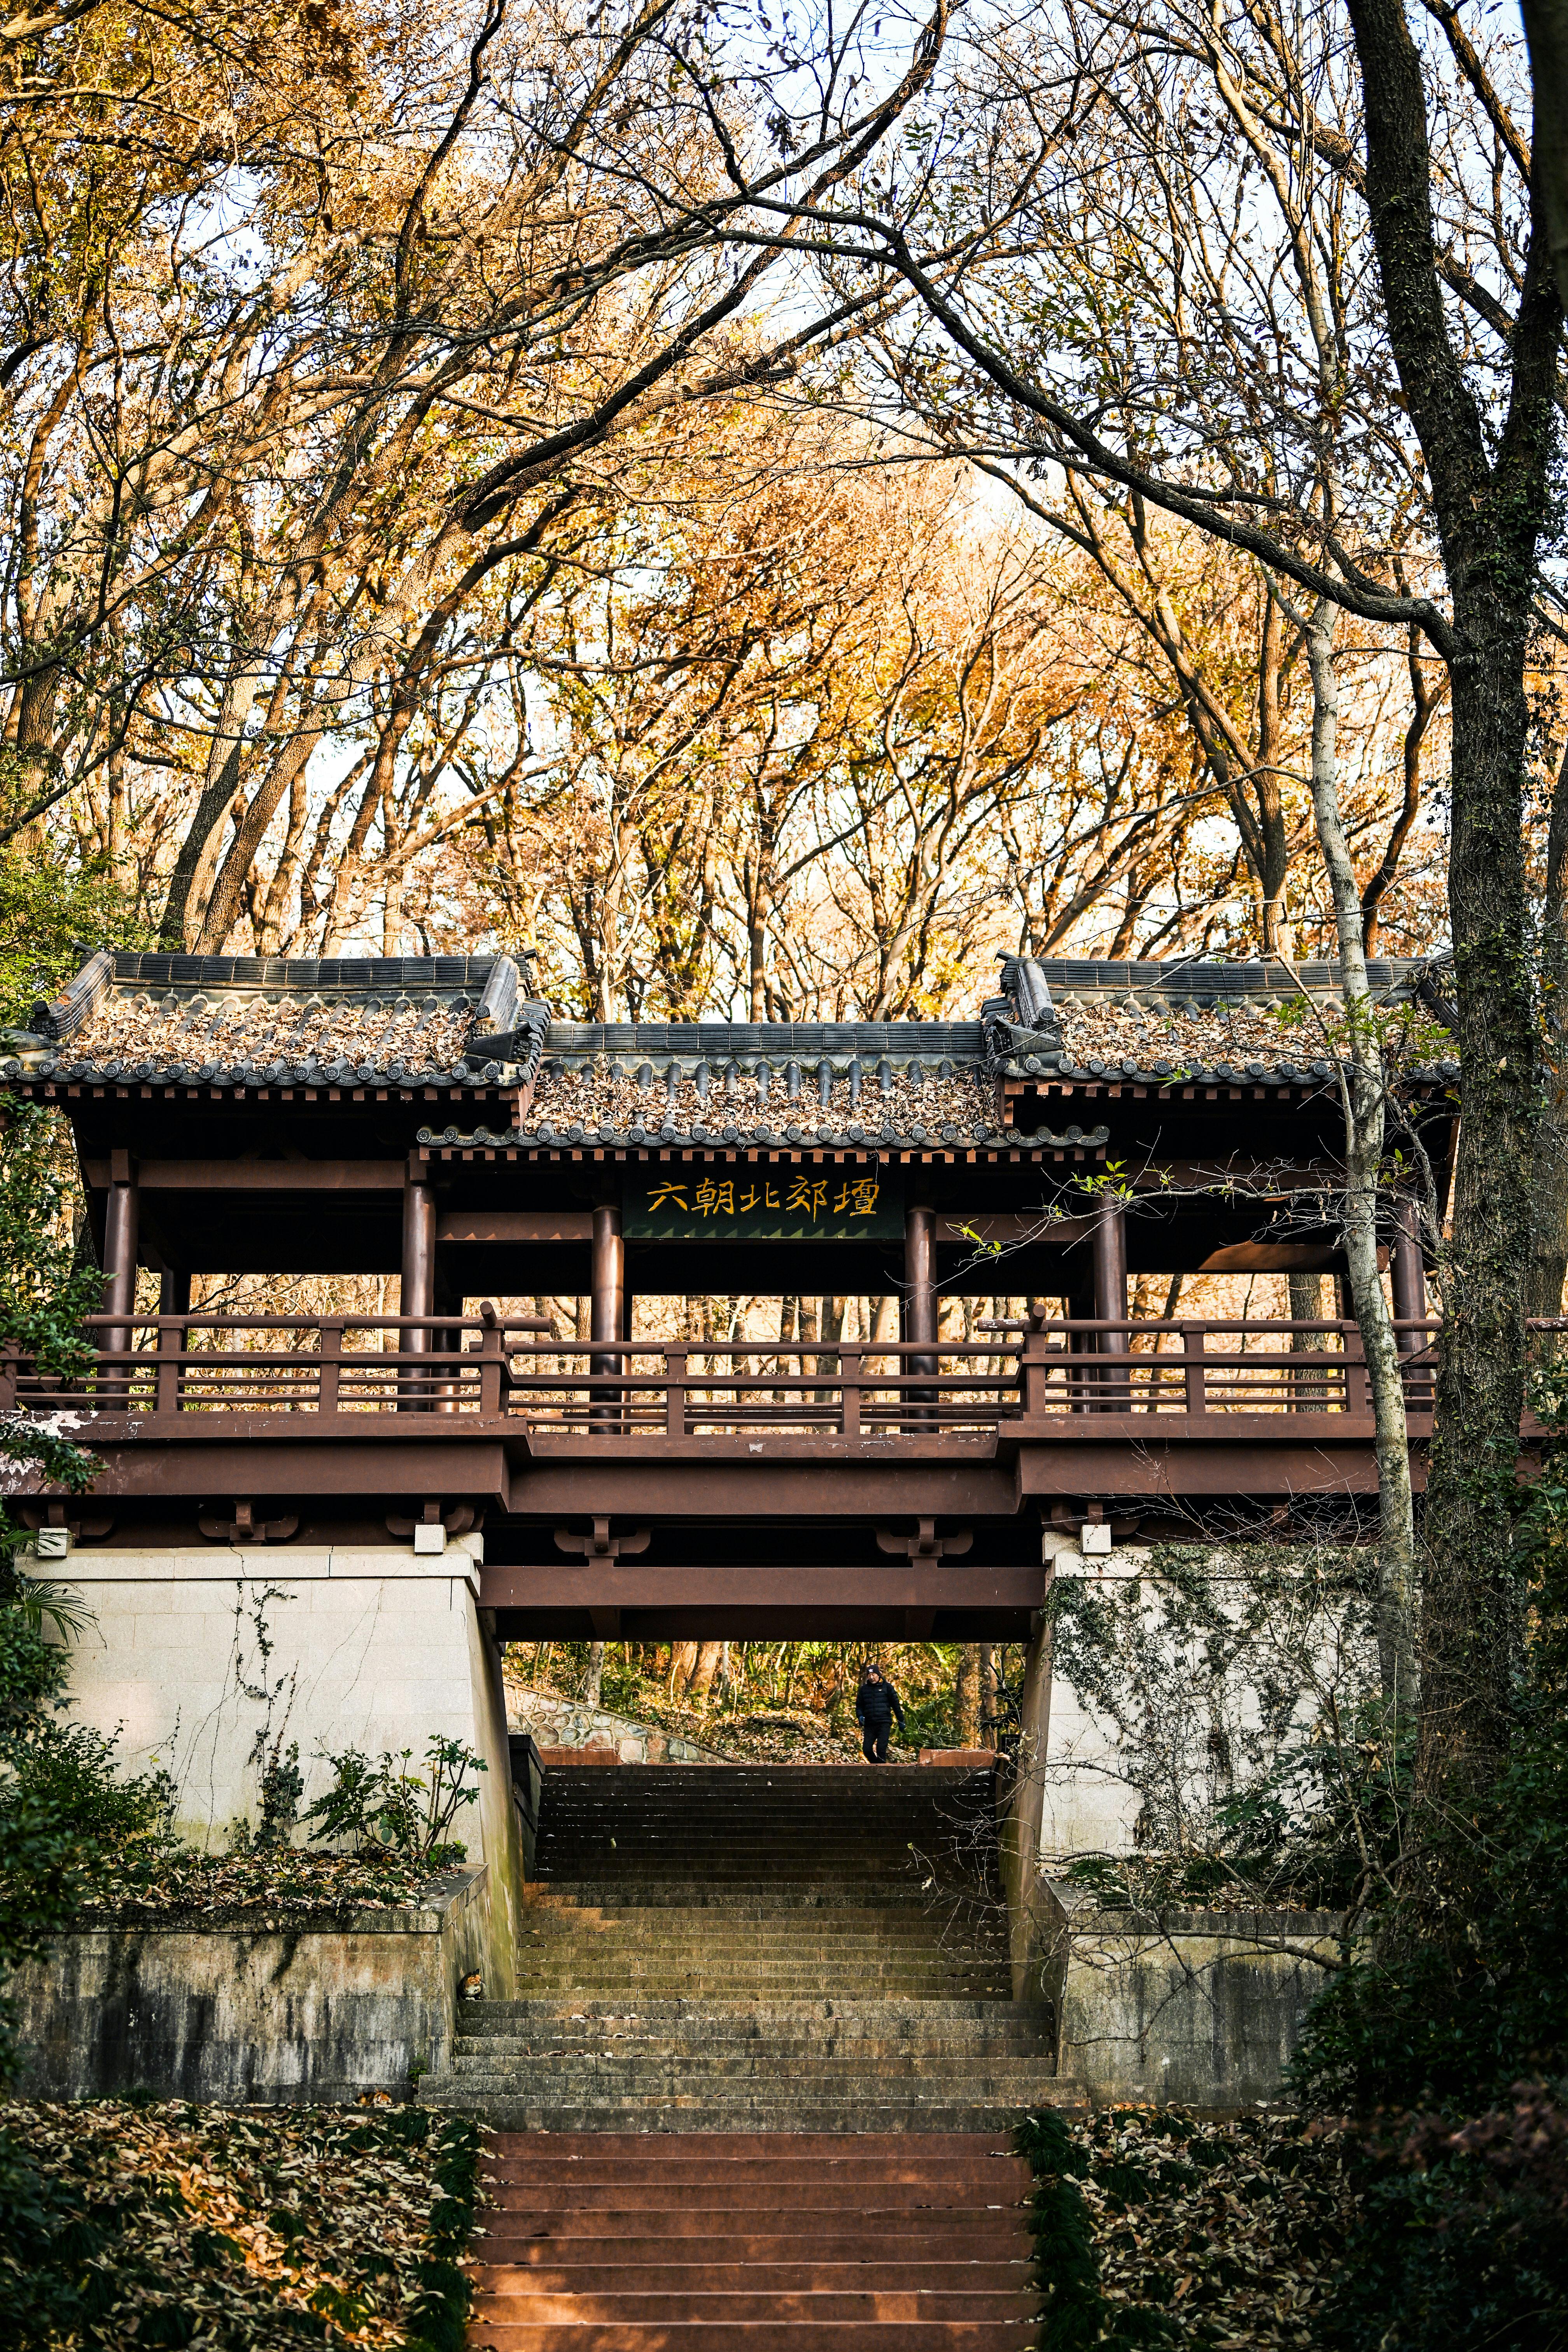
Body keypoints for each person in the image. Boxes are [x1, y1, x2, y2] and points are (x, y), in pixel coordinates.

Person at [856, 1662, 905, 1764]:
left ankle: (882, 1772)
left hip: (884, 1723)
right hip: (870, 1724)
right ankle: (878, 1766)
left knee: (881, 1749)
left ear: (878, 1675)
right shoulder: (864, 1690)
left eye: (873, 1675)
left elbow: (896, 1705)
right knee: (867, 1750)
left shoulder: (887, 1687)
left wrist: (901, 1721)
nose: (872, 1677)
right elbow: (859, 1706)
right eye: (869, 1675)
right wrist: (860, 1716)